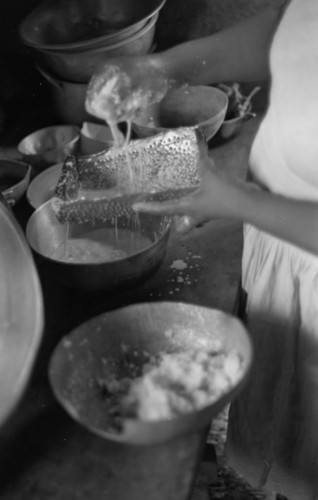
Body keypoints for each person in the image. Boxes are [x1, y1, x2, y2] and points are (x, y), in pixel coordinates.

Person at [125, 0, 318, 499]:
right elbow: (297, 25)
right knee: (281, 409)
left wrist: (236, 200)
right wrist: (165, 67)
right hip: (280, 243)